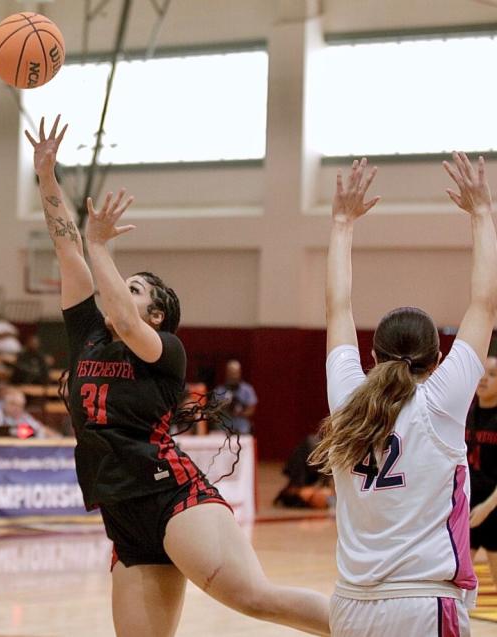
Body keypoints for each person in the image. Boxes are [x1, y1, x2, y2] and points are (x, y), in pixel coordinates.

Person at [25, 116, 330, 635]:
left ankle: (374, 626)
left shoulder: (164, 351)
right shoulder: (88, 335)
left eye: (137, 287)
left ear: (158, 314)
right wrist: (46, 176)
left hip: (173, 497)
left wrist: (102, 249)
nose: (124, 288)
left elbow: (119, 310)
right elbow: (66, 248)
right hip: (121, 511)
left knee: (255, 599)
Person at [308, 154, 497, 636]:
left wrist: (341, 223)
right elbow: (485, 302)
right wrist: (481, 214)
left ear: (371, 356)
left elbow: (338, 307)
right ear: (438, 360)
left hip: (351, 605)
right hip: (422, 603)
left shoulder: (348, 398)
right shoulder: (441, 402)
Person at [468, 355, 497, 591]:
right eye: (482, 373)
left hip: (494, 505)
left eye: (492, 374)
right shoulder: (466, 413)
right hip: (469, 505)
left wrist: (488, 507)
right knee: (459, 577)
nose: (484, 379)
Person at [214, 360, 258, 434]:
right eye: (231, 372)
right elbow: (214, 411)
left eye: (235, 372)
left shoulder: (247, 390)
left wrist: (239, 412)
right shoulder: (219, 390)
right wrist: (226, 407)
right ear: (227, 373)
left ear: (239, 373)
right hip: (224, 431)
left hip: (242, 430)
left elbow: (252, 410)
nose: (233, 375)